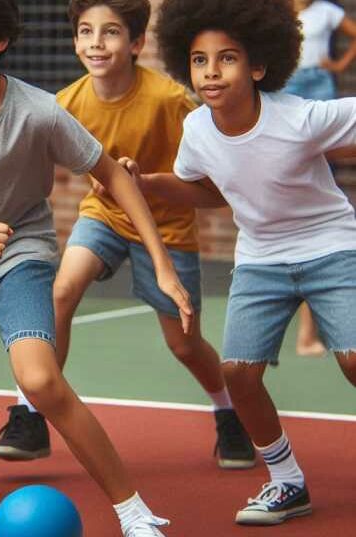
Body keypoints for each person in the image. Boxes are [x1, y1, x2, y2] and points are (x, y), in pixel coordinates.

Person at [0, 1, 193, 535]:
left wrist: (163, 266)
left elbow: (115, 176)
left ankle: (131, 510)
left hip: (18, 256)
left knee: (41, 380)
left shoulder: (38, 110)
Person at [0, 0, 254, 470]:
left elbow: (211, 189)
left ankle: (228, 412)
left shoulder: (169, 102)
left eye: (110, 32)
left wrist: (147, 179)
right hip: (105, 218)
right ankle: (29, 414)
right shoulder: (67, 104)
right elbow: (33, 169)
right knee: (62, 290)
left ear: (135, 43)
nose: (96, 42)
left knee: (185, 344)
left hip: (168, 226)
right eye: (86, 32)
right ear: (74, 42)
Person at [144, 0, 356, 525]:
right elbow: (207, 190)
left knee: (355, 360)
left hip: (330, 246)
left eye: (227, 59)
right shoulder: (197, 130)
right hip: (261, 258)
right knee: (238, 373)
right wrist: (146, 183)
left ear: (258, 64)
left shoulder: (302, 117)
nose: (211, 72)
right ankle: (287, 483)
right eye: (199, 60)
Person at [283, 0, 356, 357]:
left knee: (318, 171)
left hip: (317, 80)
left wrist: (340, 64)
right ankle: (308, 332)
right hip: (290, 83)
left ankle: (313, 330)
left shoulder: (326, 11)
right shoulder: (280, 12)